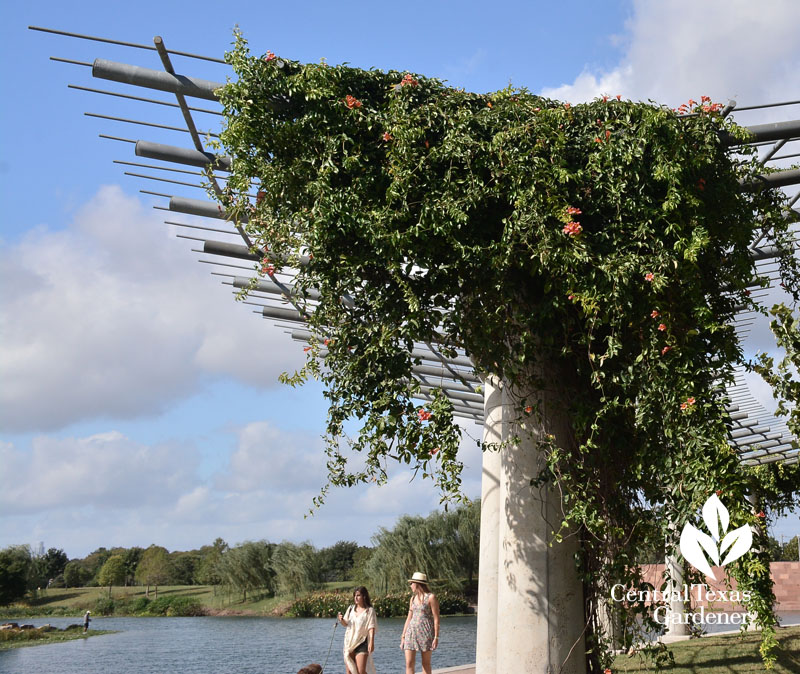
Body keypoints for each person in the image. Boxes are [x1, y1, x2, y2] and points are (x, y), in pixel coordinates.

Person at [400, 572, 440, 674]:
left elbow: (436, 618)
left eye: (411, 583)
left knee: (425, 663)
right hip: (411, 632)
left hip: (426, 632)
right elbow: (409, 618)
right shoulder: (412, 599)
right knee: (409, 663)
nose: (410, 586)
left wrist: (436, 637)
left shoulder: (431, 597)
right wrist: (403, 636)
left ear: (417, 584)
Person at [337, 586, 377, 674]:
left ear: (364, 596)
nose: (356, 598)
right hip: (350, 642)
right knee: (350, 670)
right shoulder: (351, 609)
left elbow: (371, 627)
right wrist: (341, 620)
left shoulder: (369, 611)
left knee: (361, 670)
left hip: (362, 642)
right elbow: (346, 624)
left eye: (358, 595)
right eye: (355, 595)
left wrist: (371, 642)